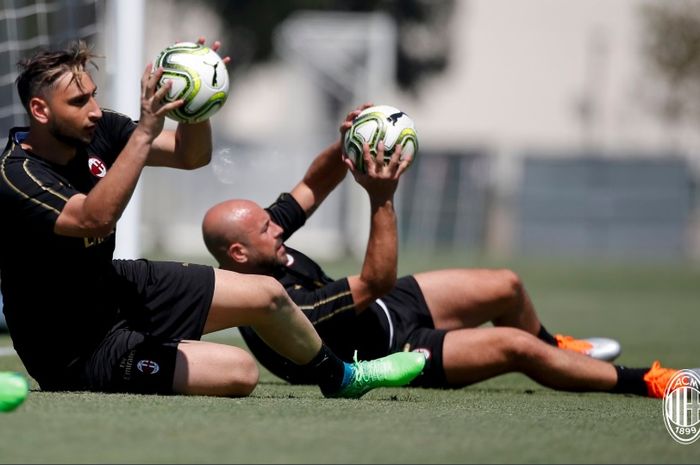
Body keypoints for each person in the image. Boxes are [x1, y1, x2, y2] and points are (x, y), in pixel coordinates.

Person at [0, 41, 426, 399]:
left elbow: (192, 155)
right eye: (79, 101)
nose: (94, 109)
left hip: (115, 287)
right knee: (239, 372)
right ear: (40, 110)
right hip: (75, 349)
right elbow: (95, 219)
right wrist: (146, 131)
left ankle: (343, 379)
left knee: (268, 294)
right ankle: (145, 352)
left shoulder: (99, 129)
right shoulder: (16, 174)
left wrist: (198, 99)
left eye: (93, 94)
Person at [202, 104, 692, 399]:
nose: (279, 223)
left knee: (507, 285)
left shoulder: (260, 241)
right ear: (240, 254)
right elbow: (375, 281)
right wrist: (382, 198)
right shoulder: (271, 303)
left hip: (387, 310)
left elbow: (312, 183)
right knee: (517, 349)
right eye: (268, 226)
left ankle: (559, 348)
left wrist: (347, 140)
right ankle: (649, 382)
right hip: (393, 350)